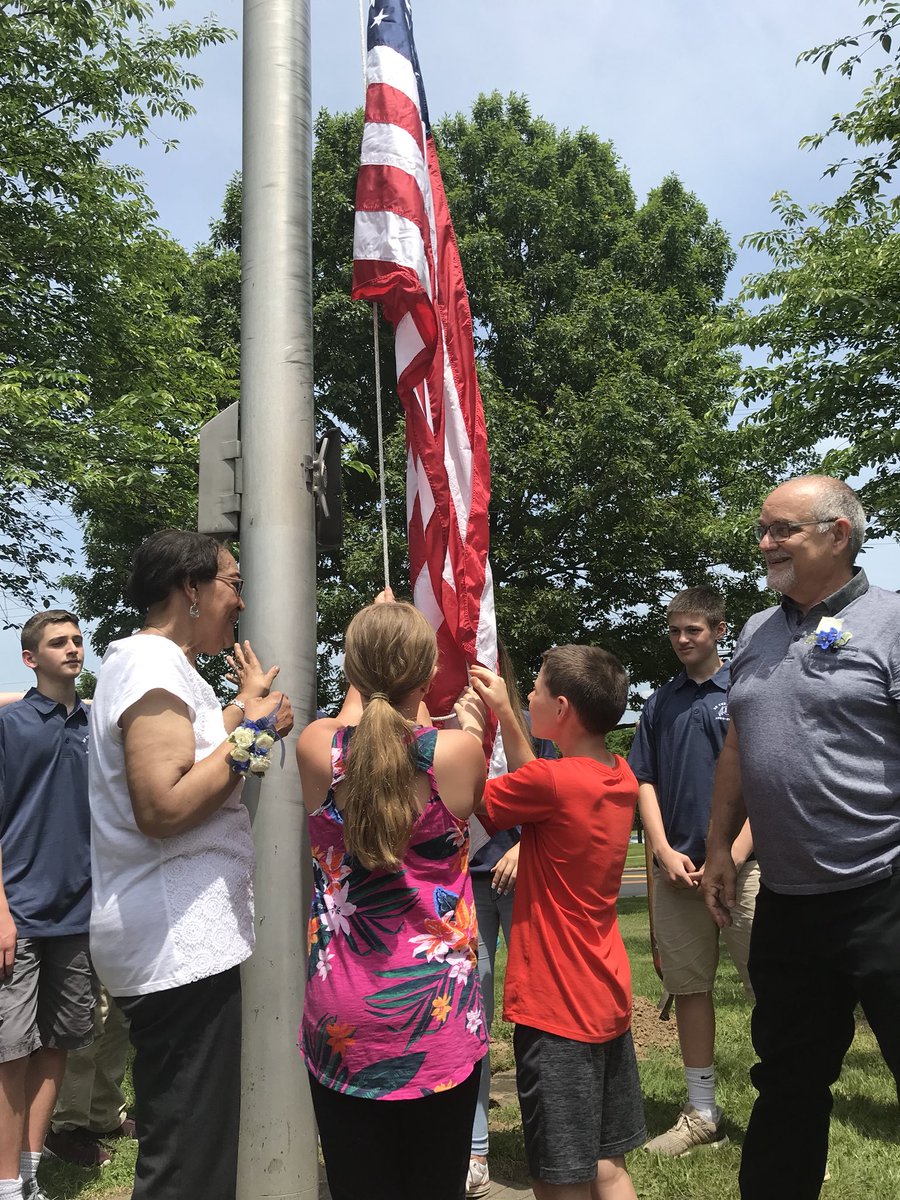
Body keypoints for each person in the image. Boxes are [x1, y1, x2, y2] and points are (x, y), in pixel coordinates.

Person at [702, 476, 900, 1200]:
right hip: (788, 901)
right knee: (786, 1080)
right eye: (762, 529)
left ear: (837, 534)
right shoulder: (756, 631)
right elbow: (737, 747)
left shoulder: (891, 623)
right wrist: (721, 847)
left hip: (883, 892)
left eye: (781, 529)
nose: (764, 544)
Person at [88, 529, 293, 1200]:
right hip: (174, 946)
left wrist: (244, 706)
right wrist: (258, 732)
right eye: (233, 583)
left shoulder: (161, 668)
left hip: (181, 942)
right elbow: (165, 805)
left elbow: (196, 752)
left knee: (195, 1143)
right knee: (186, 1160)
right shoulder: (150, 667)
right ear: (191, 589)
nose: (239, 601)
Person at [296, 592, 488, 1200]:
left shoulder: (316, 748)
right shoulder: (455, 752)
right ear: (428, 673)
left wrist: (374, 641)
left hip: (341, 1017)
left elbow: (361, 726)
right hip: (438, 1019)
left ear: (351, 673)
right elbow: (408, 734)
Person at [459, 646, 646, 1200]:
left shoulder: (555, 784)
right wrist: (509, 717)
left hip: (556, 1007)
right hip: (604, 993)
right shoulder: (620, 776)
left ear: (561, 707)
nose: (528, 695)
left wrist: (473, 731)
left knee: (559, 1178)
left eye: (535, 689)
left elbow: (474, 799)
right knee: (607, 1165)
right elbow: (543, 777)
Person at [628, 586, 758, 1156]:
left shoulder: (749, 694)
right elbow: (644, 779)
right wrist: (659, 847)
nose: (682, 640)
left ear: (719, 631)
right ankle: (702, 1111)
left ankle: (791, 1106)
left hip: (746, 870)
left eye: (694, 631)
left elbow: (767, 780)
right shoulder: (660, 704)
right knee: (690, 989)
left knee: (773, 989)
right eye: (675, 630)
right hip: (678, 874)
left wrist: (730, 853)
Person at [0, 611, 93, 1200]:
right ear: (31, 658)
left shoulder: (97, 723)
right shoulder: (9, 726)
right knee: (11, 1051)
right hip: (20, 912)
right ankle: (6, 1182)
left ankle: (30, 1170)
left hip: (80, 915)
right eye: (58, 642)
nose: (73, 649)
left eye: (79, 640)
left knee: (58, 1040)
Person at [466, 641, 557, 1200]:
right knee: (471, 1012)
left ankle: (547, 1143)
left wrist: (524, 846)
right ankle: (474, 1147)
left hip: (524, 878)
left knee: (536, 1011)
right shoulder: (448, 726)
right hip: (466, 882)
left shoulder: (530, 724)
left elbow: (554, 792)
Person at [44, 986, 134, 1166]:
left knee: (117, 1020)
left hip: (118, 958)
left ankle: (103, 1116)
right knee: (86, 1022)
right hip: (80, 958)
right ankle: (65, 1129)